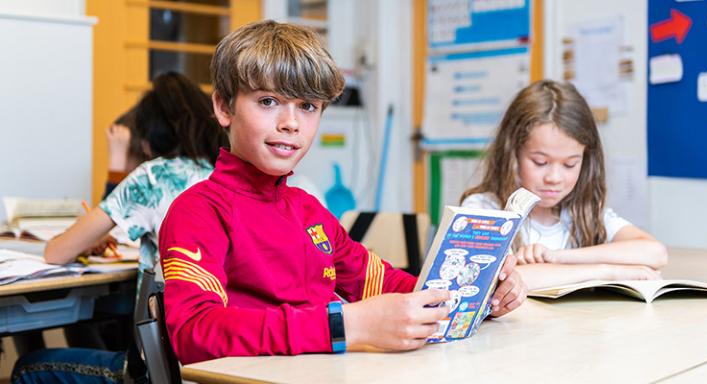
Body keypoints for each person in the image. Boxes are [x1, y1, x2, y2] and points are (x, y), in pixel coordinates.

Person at [158, 20, 527, 365]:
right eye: (268, 101)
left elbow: (381, 283)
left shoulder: (308, 211)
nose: (290, 123)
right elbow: (193, 333)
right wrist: (345, 326)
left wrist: (477, 294)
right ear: (224, 107)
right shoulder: (198, 211)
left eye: (307, 107)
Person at [12, 72, 229, 383]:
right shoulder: (223, 174)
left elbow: (56, 252)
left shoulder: (153, 176)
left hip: (163, 369)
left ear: (147, 140)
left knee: (27, 368)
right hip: (218, 363)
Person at [461, 80, 667, 290]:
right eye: (540, 162)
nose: (554, 177)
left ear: (585, 160)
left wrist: (558, 257)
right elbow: (509, 280)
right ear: (512, 153)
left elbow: (655, 252)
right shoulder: (484, 210)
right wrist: (605, 271)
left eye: (570, 164)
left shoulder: (582, 212)